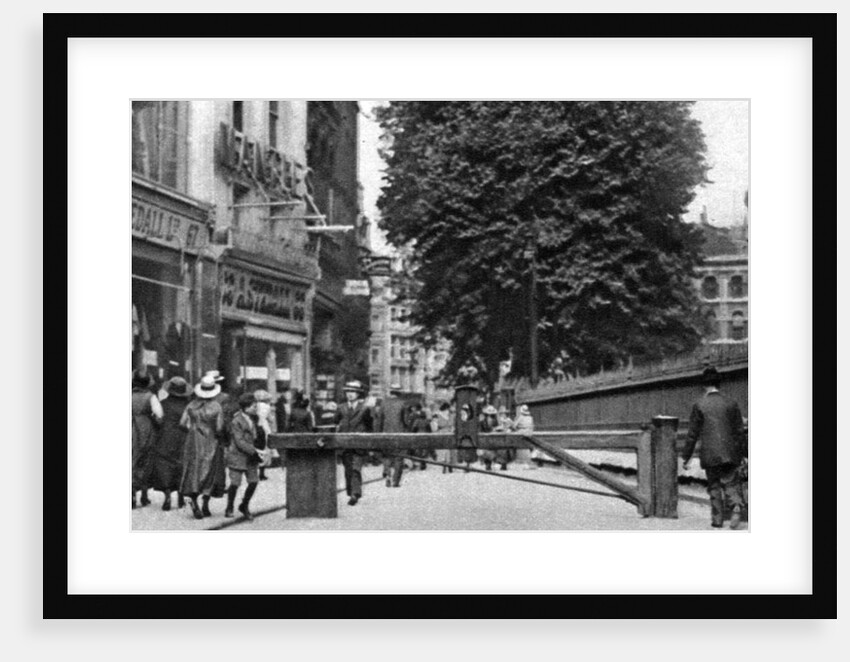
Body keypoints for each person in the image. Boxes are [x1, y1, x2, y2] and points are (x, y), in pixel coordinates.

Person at [682, 367, 748, 530]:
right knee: (731, 482)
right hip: (730, 452)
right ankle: (736, 506)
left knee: (714, 485)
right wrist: (745, 453)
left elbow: (693, 434)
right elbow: (739, 431)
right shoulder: (731, 403)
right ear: (719, 384)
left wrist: (686, 456)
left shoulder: (699, 405)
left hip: (710, 453)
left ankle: (717, 520)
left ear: (704, 385)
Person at [179, 374, 225, 519]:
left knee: (193, 468)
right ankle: (205, 504)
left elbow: (181, 423)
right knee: (210, 470)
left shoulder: (191, 405)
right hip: (210, 440)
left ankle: (193, 501)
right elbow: (219, 428)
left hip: (193, 440)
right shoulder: (216, 406)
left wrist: (192, 429)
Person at [150, 376, 191, 511]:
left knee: (165, 465)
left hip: (165, 436)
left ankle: (167, 495)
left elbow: (158, 420)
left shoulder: (163, 403)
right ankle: (180, 497)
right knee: (182, 464)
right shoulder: (188, 405)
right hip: (183, 436)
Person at [224, 393, 264, 520]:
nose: (255, 408)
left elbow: (257, 435)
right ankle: (229, 506)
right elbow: (239, 441)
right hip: (238, 456)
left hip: (251, 457)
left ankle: (244, 505)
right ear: (245, 407)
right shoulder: (236, 421)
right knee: (235, 483)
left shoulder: (254, 419)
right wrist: (254, 451)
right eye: (253, 406)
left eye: (255, 406)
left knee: (253, 482)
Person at [337, 380, 373, 506]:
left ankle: (355, 494)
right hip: (345, 444)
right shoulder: (341, 408)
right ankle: (351, 491)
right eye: (348, 392)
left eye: (353, 392)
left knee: (356, 469)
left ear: (359, 394)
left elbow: (369, 427)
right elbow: (336, 423)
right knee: (348, 470)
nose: (350, 394)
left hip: (359, 444)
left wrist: (369, 443)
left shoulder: (364, 409)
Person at [132, 369, 163, 509]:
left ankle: (131, 493)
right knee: (145, 460)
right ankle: (144, 495)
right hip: (145, 430)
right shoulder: (150, 397)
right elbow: (159, 415)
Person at [377, 389, 407, 487]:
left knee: (387, 456)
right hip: (399, 434)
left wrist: (379, 433)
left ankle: (387, 475)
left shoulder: (384, 404)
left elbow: (379, 420)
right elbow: (406, 420)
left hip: (386, 434)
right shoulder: (403, 404)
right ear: (399, 394)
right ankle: (395, 481)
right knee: (399, 458)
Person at [253, 389, 274, 480]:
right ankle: (262, 472)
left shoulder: (254, 406)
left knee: (256, 448)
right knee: (265, 448)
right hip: (264, 427)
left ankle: (253, 471)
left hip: (254, 427)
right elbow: (271, 420)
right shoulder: (267, 407)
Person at [432, 401, 455, 473]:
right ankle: (447, 466)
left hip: (445, 433)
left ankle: (447, 465)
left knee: (446, 450)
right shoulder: (441, 415)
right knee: (446, 450)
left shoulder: (448, 416)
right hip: (445, 434)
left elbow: (452, 426)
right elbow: (434, 427)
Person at [511, 404, 536, 469]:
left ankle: (515, 458)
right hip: (530, 433)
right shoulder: (531, 418)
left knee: (512, 439)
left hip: (522, 434)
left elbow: (514, 426)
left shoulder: (520, 417)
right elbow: (532, 426)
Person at [478, 405, 500, 471]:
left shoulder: (495, 421)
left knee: (493, 450)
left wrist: (495, 430)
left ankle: (493, 463)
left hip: (493, 438)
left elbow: (497, 428)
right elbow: (480, 430)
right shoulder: (482, 422)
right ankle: (488, 464)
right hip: (485, 438)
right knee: (486, 451)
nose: (490, 416)